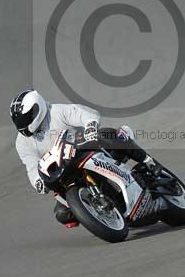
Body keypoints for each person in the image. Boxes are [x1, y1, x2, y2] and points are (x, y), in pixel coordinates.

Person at [9, 89, 159, 227]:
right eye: (19, 122)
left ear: (37, 109)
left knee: (108, 135)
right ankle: (102, 214)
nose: (23, 125)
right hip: (62, 171)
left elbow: (86, 114)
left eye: (26, 119)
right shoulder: (21, 142)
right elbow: (31, 166)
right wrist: (37, 182)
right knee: (63, 214)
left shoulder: (56, 111)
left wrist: (90, 127)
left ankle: (148, 162)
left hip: (84, 150)